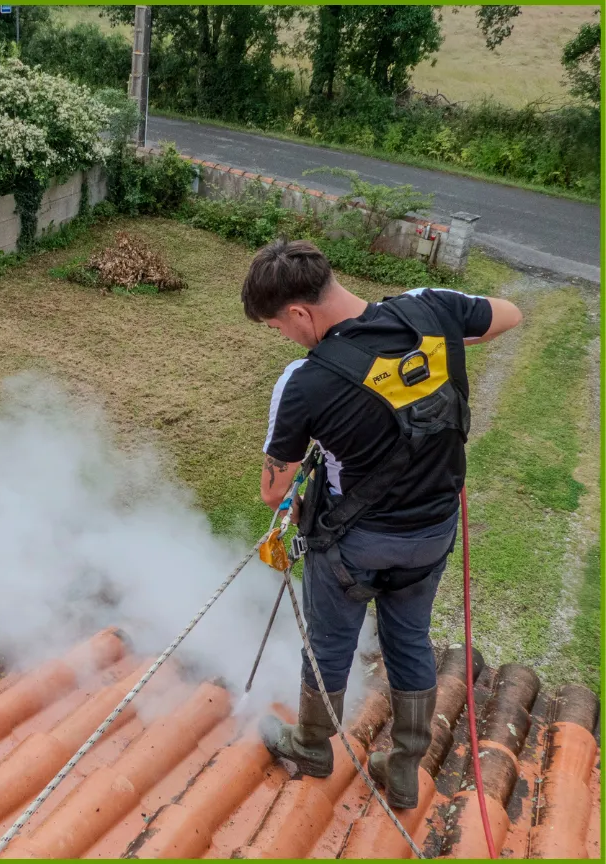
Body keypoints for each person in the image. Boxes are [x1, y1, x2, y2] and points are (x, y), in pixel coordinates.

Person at [241, 238, 522, 809]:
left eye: (277, 326)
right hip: (431, 536)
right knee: (410, 641)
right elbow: (508, 315)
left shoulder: (305, 381)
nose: (283, 337)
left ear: (299, 312)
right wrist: (451, 335)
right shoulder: (432, 308)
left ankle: (313, 746)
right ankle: (402, 769)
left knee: (327, 646)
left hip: (354, 545)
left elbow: (275, 491)